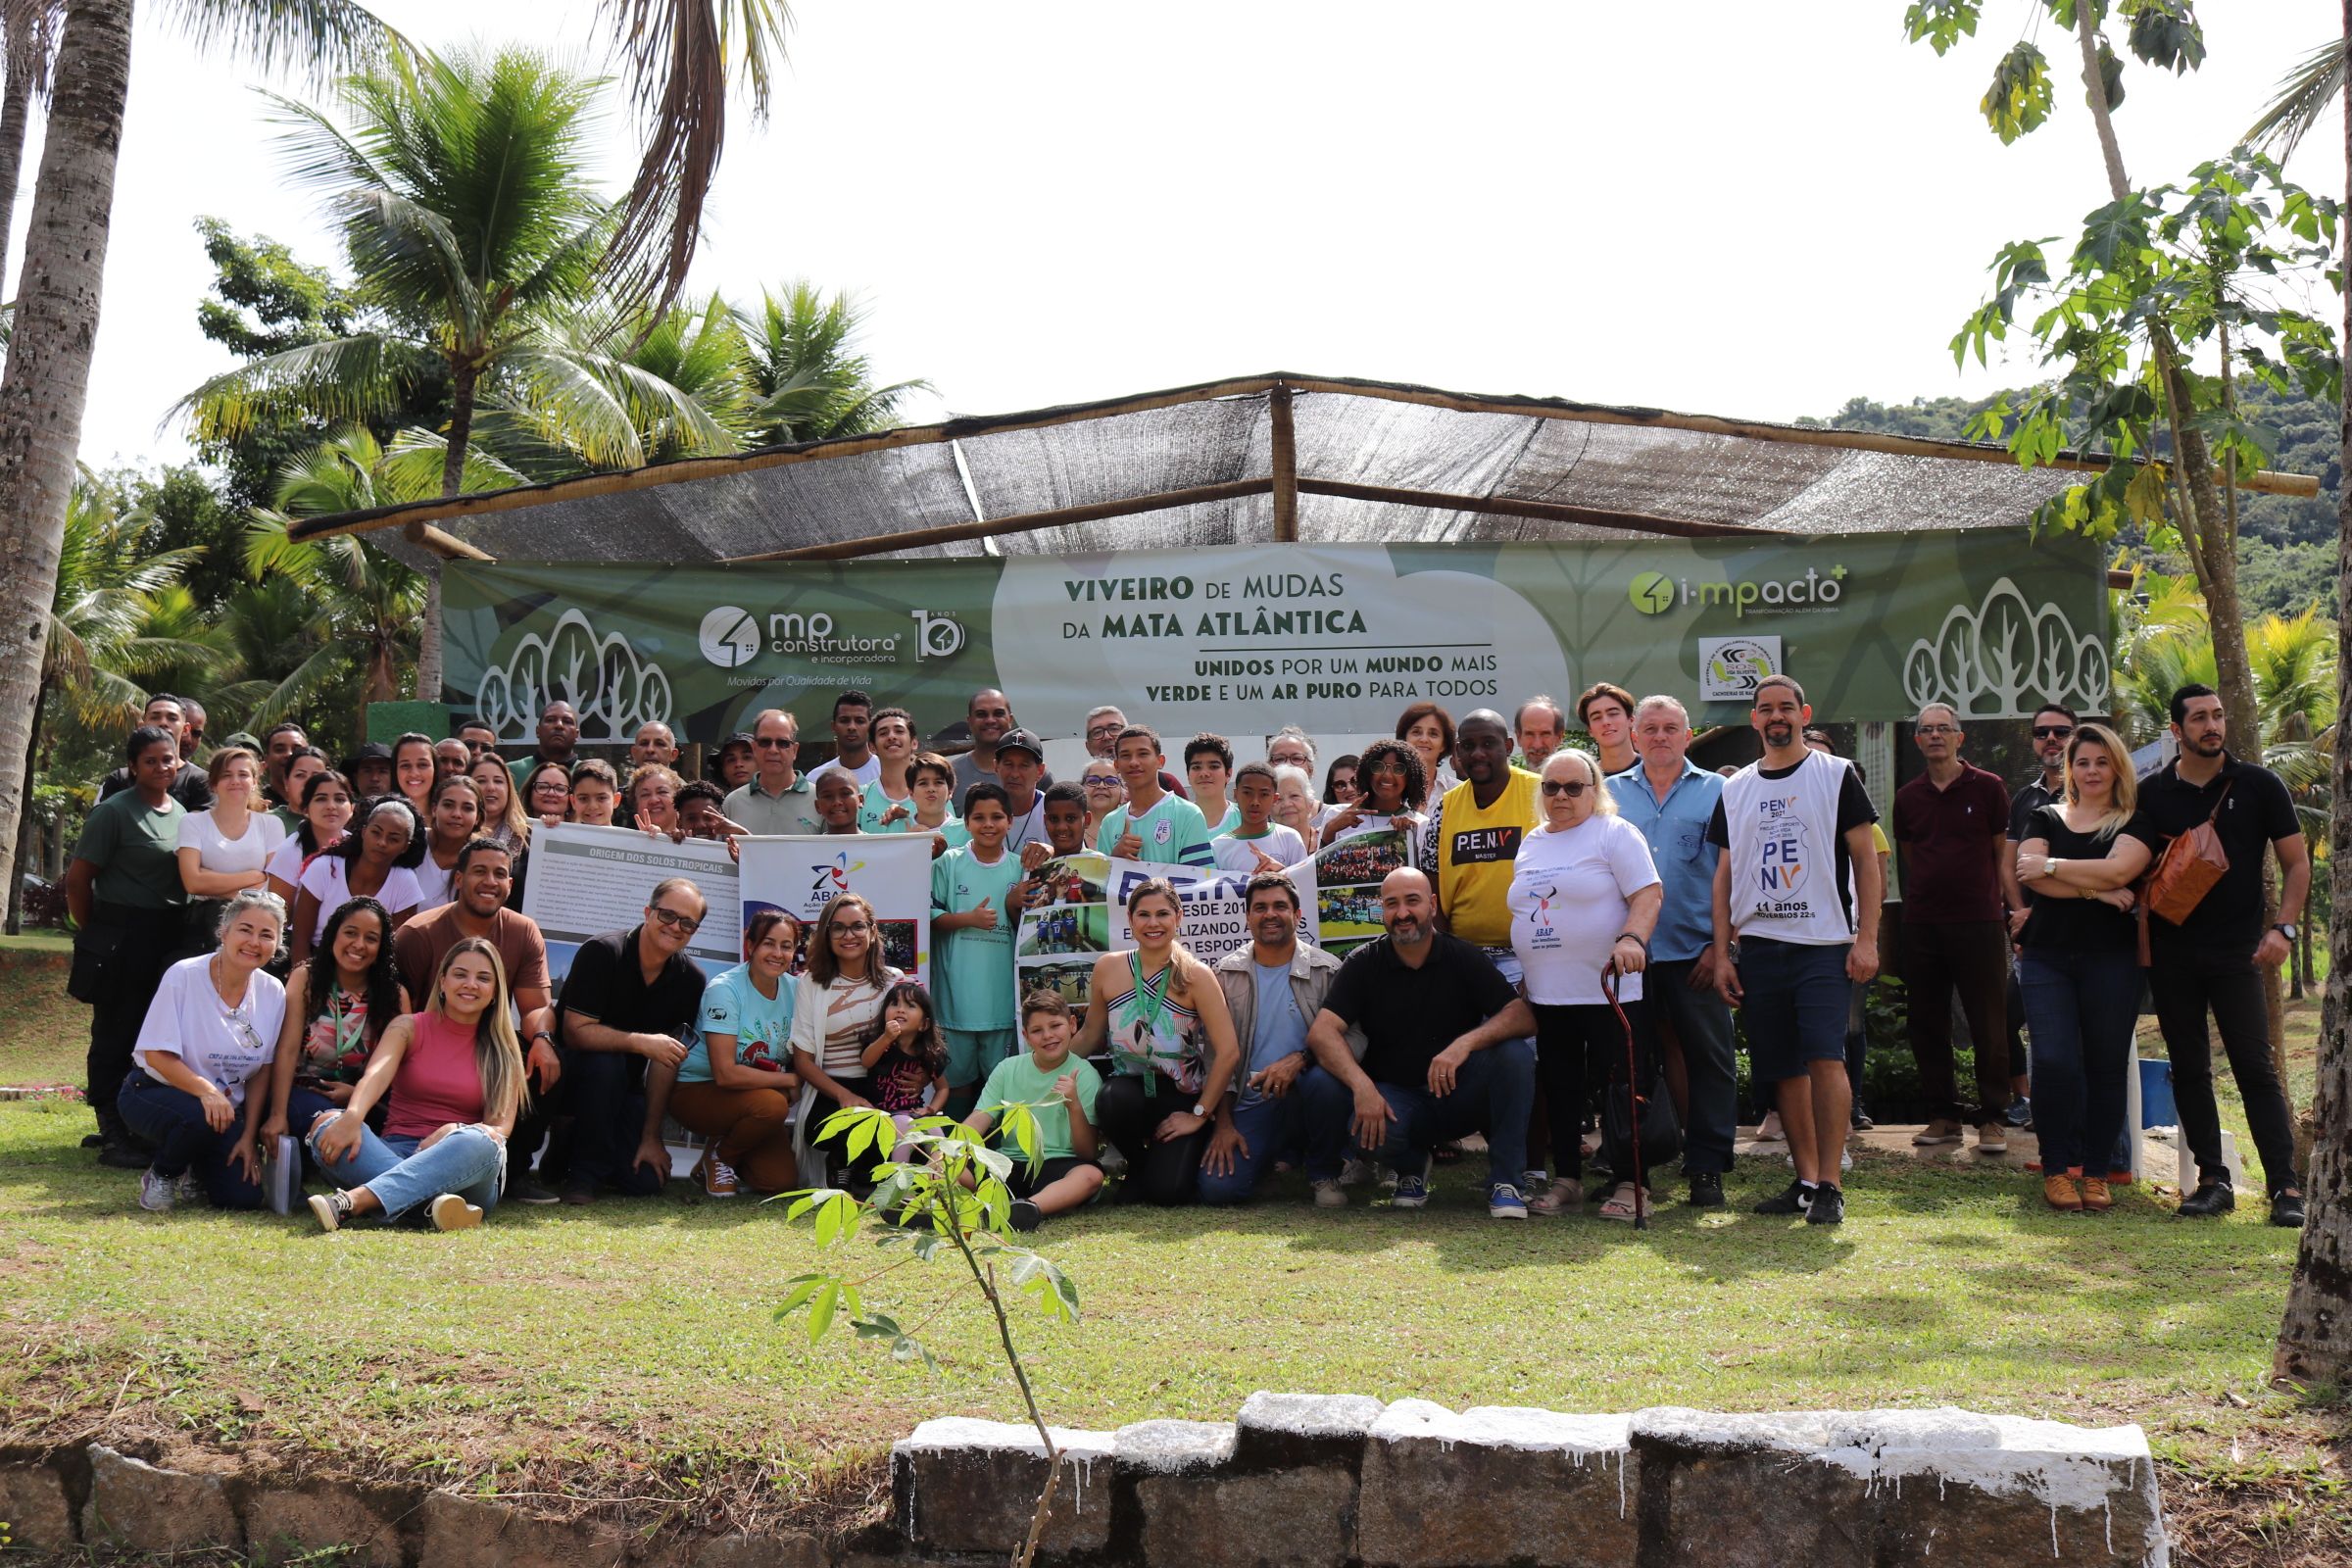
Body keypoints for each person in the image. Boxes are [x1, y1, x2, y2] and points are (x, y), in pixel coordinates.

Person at [2089, 685, 2309, 1226]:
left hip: (2239, 952)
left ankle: (2285, 1188)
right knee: (2189, 1067)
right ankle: (2214, 1181)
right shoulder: (2151, 794)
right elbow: (2124, 860)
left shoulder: (2260, 784)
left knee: (2255, 1068)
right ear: (2176, 731)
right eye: (2200, 719)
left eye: (2217, 716)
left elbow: (2297, 865)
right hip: (2172, 951)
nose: (2212, 725)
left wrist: (2284, 927)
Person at [1707, 675, 1882, 1228]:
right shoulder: (1734, 790)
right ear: (1754, 719)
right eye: (1766, 709)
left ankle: (1831, 1182)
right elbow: (1724, 877)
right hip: (1759, 947)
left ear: (1804, 713)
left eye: (1787, 707)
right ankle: (1806, 1180)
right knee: (1780, 1066)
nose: (1776, 716)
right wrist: (1721, 953)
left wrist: (1867, 937)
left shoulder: (1836, 775)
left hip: (1823, 945)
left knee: (1825, 1058)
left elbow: (1866, 860)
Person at [1298, 868, 1538, 1216]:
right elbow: (1321, 1032)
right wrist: (1362, 1087)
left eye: (1413, 901)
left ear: (1433, 904)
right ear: (1381, 910)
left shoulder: (1462, 956)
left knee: (1515, 1056)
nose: (1403, 913)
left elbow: (1522, 1017)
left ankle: (1506, 1181)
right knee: (1360, 1122)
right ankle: (1411, 1167)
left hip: (1459, 1094)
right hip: (1397, 1099)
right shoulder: (1364, 962)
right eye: (1392, 904)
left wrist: (1464, 1045)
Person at [1511, 750, 1662, 1218]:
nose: (1562, 795)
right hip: (1548, 991)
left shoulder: (1614, 833)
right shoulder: (1533, 841)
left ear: (1594, 791)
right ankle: (1568, 1180)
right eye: (1552, 787)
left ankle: (1632, 1182)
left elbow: (1648, 893)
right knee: (1560, 1085)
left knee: (1621, 1084)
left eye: (1574, 787)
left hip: (1609, 988)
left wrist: (1633, 937)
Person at [2010, 723, 2154, 1213]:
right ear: (2070, 769)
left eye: (2101, 761)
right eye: (2082, 762)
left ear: (2117, 767)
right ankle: (2056, 1170)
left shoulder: (2135, 819)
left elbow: (2119, 872)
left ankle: (2095, 1172)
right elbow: (2029, 874)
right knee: (2052, 1061)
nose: (2091, 771)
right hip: (2047, 955)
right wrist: (2093, 890)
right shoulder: (2045, 815)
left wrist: (2056, 867)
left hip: (2112, 959)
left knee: (2105, 1064)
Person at [305, 937, 529, 1232]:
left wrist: (455, 1131)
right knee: (326, 1124)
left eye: (483, 978)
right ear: (443, 981)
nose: (470, 984)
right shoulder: (408, 1027)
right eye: (460, 974)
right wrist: (353, 1115)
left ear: (496, 992)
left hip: (465, 1168)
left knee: (483, 1141)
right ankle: (437, 1210)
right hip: (395, 1152)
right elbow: (376, 1075)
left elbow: (500, 1129)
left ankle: (357, 1200)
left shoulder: (505, 1050)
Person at [1609, 695, 1736, 1208]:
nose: (1661, 737)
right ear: (1635, 737)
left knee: (1710, 1062)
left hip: (1696, 953)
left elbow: (1739, 873)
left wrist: (1721, 948)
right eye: (1651, 728)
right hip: (1629, 956)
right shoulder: (1608, 794)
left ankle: (1707, 1166)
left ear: (1688, 735)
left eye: (1671, 728)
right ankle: (1633, 1169)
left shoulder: (1720, 791)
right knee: (1629, 1065)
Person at [393, 837, 562, 1201]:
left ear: (510, 885)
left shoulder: (522, 930)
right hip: (428, 1042)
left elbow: (535, 1007)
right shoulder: (417, 934)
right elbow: (397, 1010)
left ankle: (513, 1172)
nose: (490, 881)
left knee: (538, 1058)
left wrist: (544, 1042)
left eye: (500, 874)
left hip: (489, 1041)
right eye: (479, 872)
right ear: (458, 879)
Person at [118, 889, 294, 1210]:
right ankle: (164, 1174)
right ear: (223, 932)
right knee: (198, 1116)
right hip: (155, 1091)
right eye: (245, 929)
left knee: (242, 1198)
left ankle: (196, 1168)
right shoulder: (184, 975)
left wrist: (248, 1136)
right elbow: (157, 1054)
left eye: (266, 934)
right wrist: (207, 1092)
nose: (254, 942)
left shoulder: (273, 992)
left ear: (277, 946)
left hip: (224, 1113)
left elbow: (262, 1071)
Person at [68, 725, 193, 1167]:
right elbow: (78, 881)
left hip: (166, 934)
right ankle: (112, 1130)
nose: (162, 767)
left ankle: (138, 1123)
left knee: (152, 1032)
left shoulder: (181, 812)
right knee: (114, 1033)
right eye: (151, 760)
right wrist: (98, 932)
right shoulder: (114, 813)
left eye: (169, 758)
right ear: (133, 765)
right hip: (120, 933)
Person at [1893, 704, 2015, 1154]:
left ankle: (1993, 1119)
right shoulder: (1908, 796)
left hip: (1979, 920)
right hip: (1923, 922)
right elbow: (1910, 852)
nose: (1936, 736)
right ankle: (1943, 1117)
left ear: (1960, 738)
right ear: (1918, 741)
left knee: (1989, 1022)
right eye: (1927, 730)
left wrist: (2006, 906)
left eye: (1945, 729)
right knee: (1927, 1022)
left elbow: (2000, 852)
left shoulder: (1988, 787)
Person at [1075, 878, 1242, 1204]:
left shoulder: (1196, 975)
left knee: (1168, 1193)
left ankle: (1159, 1167)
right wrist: (1039, 1066)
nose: (1153, 923)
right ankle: (1136, 1164)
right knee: (1110, 1098)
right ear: (1131, 920)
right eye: (1144, 915)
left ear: (1178, 917)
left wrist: (1198, 1114)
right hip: (1130, 1090)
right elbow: (1089, 1035)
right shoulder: (1108, 968)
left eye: (1163, 914)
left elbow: (1228, 1052)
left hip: (1179, 1096)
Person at [554, 878, 710, 1204]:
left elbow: (668, 1059)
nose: (675, 927)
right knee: (606, 1063)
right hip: (569, 1077)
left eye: (688, 922)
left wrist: (651, 1137)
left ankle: (574, 1151)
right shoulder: (603, 951)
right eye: (667, 915)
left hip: (623, 1087)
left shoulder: (691, 979)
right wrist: (641, 1043)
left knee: (645, 1182)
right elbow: (575, 1032)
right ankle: (582, 1174)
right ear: (648, 912)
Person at [1201, 872, 1348, 1204]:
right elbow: (1215, 1057)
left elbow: (1354, 1040)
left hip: (1310, 1090)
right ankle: (1271, 1160)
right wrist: (1222, 1124)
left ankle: (1325, 1172)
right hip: (1253, 1101)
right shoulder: (1225, 975)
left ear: (1297, 915)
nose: (1270, 914)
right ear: (1248, 917)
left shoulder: (1327, 971)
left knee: (1322, 1082)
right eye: (1260, 907)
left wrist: (1301, 1058)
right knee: (1218, 1191)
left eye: (1280, 906)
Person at [261, 895, 410, 1151]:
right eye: (350, 933)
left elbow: (401, 1066)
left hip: (361, 1098)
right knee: (317, 1117)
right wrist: (277, 1115)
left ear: (382, 947)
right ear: (333, 936)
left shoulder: (394, 996)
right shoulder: (306, 979)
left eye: (371, 938)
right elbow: (286, 1049)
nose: (359, 944)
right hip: (302, 1093)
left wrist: (356, 1096)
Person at [671, 910, 803, 1197]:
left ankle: (720, 1148)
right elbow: (725, 1073)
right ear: (751, 944)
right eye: (769, 943)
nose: (777, 953)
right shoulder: (725, 990)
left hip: (751, 1096)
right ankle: (721, 1156)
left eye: (786, 945)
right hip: (698, 1089)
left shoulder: (797, 990)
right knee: (773, 1104)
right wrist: (791, 1081)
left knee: (779, 1183)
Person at [1999, 704, 2082, 1127]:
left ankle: (2070, 1117)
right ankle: (2029, 1102)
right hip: (2030, 932)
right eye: (2041, 732)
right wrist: (2020, 912)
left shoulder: (2091, 790)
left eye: (2061, 731)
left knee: (2074, 1030)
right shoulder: (2025, 798)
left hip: (2083, 929)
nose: (2051, 739)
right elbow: (2008, 863)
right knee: (2013, 1017)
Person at [788, 893, 906, 1190]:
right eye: (838, 927)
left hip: (882, 1088)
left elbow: (915, 1044)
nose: (848, 935)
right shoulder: (811, 983)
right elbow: (802, 1061)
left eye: (857, 926)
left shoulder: (895, 981)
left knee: (899, 1131)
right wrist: (844, 1097)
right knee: (844, 1129)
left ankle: (860, 1174)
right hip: (830, 1092)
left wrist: (917, 1078)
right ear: (826, 934)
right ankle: (842, 1163)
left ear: (873, 930)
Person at [966, 991, 1105, 1230]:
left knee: (1091, 1176)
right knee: (951, 1163)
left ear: (1072, 1025)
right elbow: (979, 1119)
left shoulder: (1085, 1074)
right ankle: (934, 1202)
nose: (1048, 1036)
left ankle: (1026, 1209)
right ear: (1026, 1036)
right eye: (1037, 1030)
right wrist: (949, 1150)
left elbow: (1087, 1152)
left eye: (1055, 1026)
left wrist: (1074, 1105)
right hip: (1007, 1164)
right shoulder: (1007, 1068)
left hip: (1059, 1165)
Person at [933, 783, 1026, 1115]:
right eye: (979, 817)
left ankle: (1001, 1161)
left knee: (999, 1088)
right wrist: (966, 919)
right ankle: (956, 1157)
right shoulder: (948, 863)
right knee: (956, 1086)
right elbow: (929, 916)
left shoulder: (1020, 868)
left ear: (1010, 821)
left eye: (997, 817)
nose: (989, 824)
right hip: (955, 1004)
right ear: (966, 822)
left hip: (1001, 1005)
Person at [175, 746, 288, 956]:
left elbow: (274, 886)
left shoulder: (271, 825)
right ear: (213, 783)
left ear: (254, 781)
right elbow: (192, 882)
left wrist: (209, 882)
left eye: (243, 774)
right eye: (226, 775)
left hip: (257, 926)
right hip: (205, 926)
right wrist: (255, 877)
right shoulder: (192, 822)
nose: (235, 781)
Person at [291, 799, 424, 968]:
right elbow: (300, 940)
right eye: (376, 832)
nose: (382, 842)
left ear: (405, 846)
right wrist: (305, 983)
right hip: (316, 964)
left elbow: (395, 949)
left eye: (394, 839)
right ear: (363, 832)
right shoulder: (325, 867)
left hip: (369, 971)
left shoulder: (406, 881)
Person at [1097, 725, 1213, 868]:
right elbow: (1100, 885)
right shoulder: (1109, 822)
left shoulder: (1188, 814)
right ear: (1117, 765)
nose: (1134, 762)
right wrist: (1115, 859)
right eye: (1126, 755)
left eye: (1143, 754)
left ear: (1160, 761)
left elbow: (1200, 882)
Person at [859, 979, 951, 1141]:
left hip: (912, 1111)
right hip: (880, 1113)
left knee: (935, 1131)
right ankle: (899, 1166)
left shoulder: (927, 1054)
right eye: (894, 1003)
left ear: (924, 1024)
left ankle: (939, 1165)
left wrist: (931, 1109)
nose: (900, 1010)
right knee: (902, 1124)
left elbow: (942, 1088)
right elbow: (866, 1061)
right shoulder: (882, 1044)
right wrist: (886, 1038)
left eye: (910, 1006)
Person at [97, 695, 213, 811]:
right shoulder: (120, 779)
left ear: (186, 729)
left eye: (172, 718)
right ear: (142, 725)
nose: (163, 723)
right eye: (155, 717)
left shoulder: (201, 782)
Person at [725, 709, 824, 835]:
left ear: (795, 750)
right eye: (765, 742)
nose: (773, 750)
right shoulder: (732, 803)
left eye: (782, 743)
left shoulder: (820, 800)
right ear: (754, 748)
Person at [265, 769, 354, 907]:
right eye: (321, 799)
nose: (331, 806)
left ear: (352, 809)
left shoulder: (358, 847)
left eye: (340, 799)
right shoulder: (290, 851)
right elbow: (279, 914)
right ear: (305, 809)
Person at [1319, 738, 1426, 847]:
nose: (1387, 775)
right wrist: (1330, 830)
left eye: (1398, 769)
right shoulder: (1337, 814)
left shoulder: (1421, 824)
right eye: (1379, 767)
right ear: (1367, 773)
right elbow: (1317, 862)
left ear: (1411, 778)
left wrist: (1412, 837)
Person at [1211, 761, 1306, 873]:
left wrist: (1281, 871)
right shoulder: (1217, 847)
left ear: (1275, 799)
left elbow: (1305, 884)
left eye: (1264, 794)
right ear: (1236, 794)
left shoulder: (1290, 838)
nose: (1255, 802)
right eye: (1247, 793)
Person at [413, 775, 485, 911]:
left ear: (478, 817)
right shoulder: (411, 842)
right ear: (434, 809)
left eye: (467, 808)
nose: (457, 814)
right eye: (448, 805)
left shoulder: (481, 859)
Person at [872, 752, 968, 850]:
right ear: (911, 793)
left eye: (938, 782)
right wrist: (909, 843)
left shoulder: (966, 831)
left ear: (950, 791)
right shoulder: (895, 829)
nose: (931, 789)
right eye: (923, 783)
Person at [1084, 704, 1180, 798]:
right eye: (1097, 732)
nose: (1107, 736)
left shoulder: (1167, 783)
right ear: (1088, 746)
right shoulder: (1079, 794)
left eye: (1114, 728)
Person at [952, 688, 1019, 810]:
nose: (990, 720)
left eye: (998, 713)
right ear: (970, 722)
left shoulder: (1032, 774)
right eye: (981, 714)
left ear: (1010, 720)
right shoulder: (949, 775)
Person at [989, 729, 1052, 853]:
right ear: (996, 767)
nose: (1015, 774)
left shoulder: (1052, 810)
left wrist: (1053, 851)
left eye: (1024, 765)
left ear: (1040, 771)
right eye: (1008, 764)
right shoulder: (981, 809)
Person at [858, 706, 920, 830]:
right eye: (883, 733)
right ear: (872, 747)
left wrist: (909, 817)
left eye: (899, 731)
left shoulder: (936, 792)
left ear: (914, 743)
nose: (891, 737)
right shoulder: (861, 796)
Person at [808, 689, 881, 789]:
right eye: (844, 720)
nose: (852, 727)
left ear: (870, 727)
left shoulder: (887, 773)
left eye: (859, 721)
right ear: (833, 726)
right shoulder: (815, 779)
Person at [509, 700, 580, 790]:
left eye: (567, 721)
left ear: (577, 734)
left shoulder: (589, 773)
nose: (559, 725)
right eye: (550, 720)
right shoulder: (511, 773)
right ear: (538, 731)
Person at [1396, 703, 1457, 800]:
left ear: (1443, 745)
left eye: (1433, 734)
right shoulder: (1387, 788)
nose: (1424, 739)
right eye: (1416, 732)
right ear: (1404, 739)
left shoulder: (1458, 791)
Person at [1576, 682, 1639, 778]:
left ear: (1631, 720)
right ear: (1590, 730)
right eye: (1597, 717)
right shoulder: (1585, 781)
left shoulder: (1655, 770)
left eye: (1613, 713)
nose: (1605, 722)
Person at [470, 754, 530, 853]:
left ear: (509, 788)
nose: (491, 787)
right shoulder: (454, 832)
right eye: (481, 781)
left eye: (498, 781)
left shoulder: (529, 837)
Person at [1185, 734, 1239, 835]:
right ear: (1188, 775)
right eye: (1196, 767)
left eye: (1213, 766)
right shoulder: (1175, 822)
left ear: (1228, 774)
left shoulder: (1246, 818)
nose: (1204, 774)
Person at [270, 747, 329, 836]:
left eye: (316, 776)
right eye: (300, 775)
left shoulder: (337, 821)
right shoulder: (266, 822)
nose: (308, 782)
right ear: (286, 782)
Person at [1270, 764, 1323, 857]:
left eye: (1294, 796)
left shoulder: (1327, 839)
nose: (1286, 804)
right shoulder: (1264, 845)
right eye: (1278, 799)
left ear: (1309, 803)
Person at [386, 732, 436, 820]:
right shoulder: (381, 816)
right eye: (405, 765)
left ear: (435, 768)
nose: (414, 773)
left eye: (422, 765)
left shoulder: (447, 819)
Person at [262, 722, 311, 808]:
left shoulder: (324, 803)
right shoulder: (253, 805)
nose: (289, 754)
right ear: (267, 759)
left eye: (297, 750)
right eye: (280, 749)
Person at [1514, 696, 1567, 773]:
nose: (1537, 745)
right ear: (1519, 738)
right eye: (1529, 734)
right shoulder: (1507, 784)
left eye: (1545, 734)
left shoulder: (1578, 783)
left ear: (1559, 737)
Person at [1079, 759, 1125, 845]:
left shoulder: (1131, 826)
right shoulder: (1072, 830)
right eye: (1093, 781)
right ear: (1082, 788)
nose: (1101, 786)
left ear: (1122, 791)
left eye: (1111, 781)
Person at [678, 779, 742, 841]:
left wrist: (744, 835)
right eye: (691, 818)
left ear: (721, 820)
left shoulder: (735, 849)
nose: (701, 825)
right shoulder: (672, 848)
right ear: (679, 823)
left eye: (708, 817)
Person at [521, 759, 573, 829]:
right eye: (543, 787)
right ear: (530, 794)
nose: (551, 793)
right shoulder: (512, 831)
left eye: (560, 789)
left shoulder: (584, 834)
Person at [568, 759, 622, 827]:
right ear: (573, 802)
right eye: (583, 798)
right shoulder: (560, 835)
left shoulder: (627, 837)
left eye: (602, 798)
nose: (592, 806)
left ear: (616, 800)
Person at [810, 771, 864, 836]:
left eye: (845, 793)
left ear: (860, 800)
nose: (837, 802)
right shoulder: (812, 845)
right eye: (828, 796)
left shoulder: (876, 844)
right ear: (818, 806)